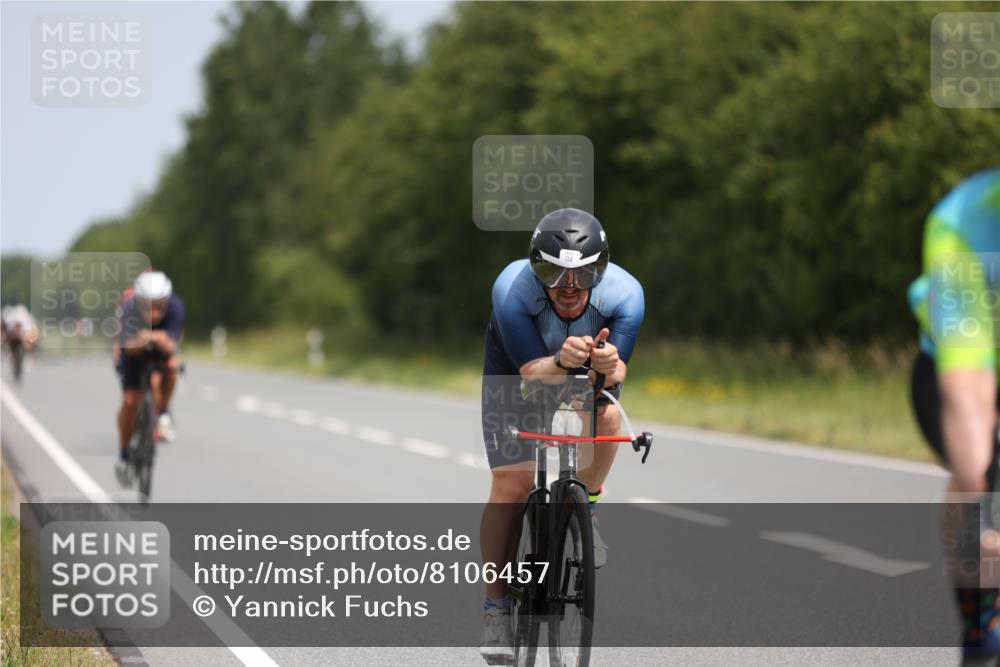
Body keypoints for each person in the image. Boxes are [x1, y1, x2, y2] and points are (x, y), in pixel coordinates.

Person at [478, 208, 644, 663]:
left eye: (584, 273)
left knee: (608, 420)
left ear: (602, 269)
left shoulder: (626, 294)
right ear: (535, 267)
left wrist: (608, 367)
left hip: (582, 372)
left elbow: (617, 374)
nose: (568, 287)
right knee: (511, 485)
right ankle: (496, 609)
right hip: (517, 371)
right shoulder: (511, 289)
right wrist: (565, 361)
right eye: (553, 272)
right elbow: (532, 375)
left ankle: (584, 506)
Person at [908, 167, 1000, 664]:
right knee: (981, 484)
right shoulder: (967, 221)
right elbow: (969, 388)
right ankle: (980, 623)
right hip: (967, 364)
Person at [114, 271, 185, 485]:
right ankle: (125, 453)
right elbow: (127, 348)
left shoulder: (176, 308)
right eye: (148, 306)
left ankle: (163, 411)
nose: (154, 313)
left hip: (161, 351)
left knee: (173, 366)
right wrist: (142, 341)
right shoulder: (128, 309)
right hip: (134, 353)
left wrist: (159, 339)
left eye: (159, 307)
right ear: (139, 302)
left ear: (167, 302)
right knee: (130, 402)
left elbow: (172, 346)